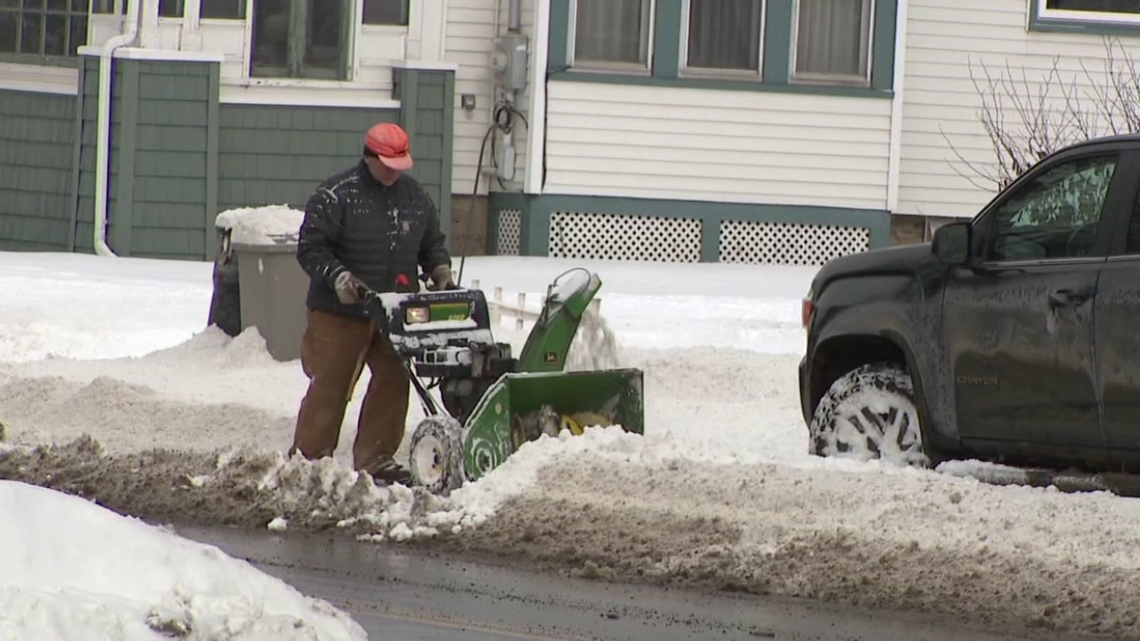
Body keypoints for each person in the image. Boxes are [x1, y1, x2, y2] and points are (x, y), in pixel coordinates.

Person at [289, 122, 454, 484]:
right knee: (332, 385)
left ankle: (376, 458)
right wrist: (338, 277)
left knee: (394, 382)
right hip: (339, 312)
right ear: (370, 158)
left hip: (392, 311)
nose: (395, 173)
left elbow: (432, 243)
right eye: (388, 166)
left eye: (400, 167)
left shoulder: (414, 197)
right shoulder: (336, 195)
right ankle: (310, 461)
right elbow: (311, 248)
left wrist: (439, 270)